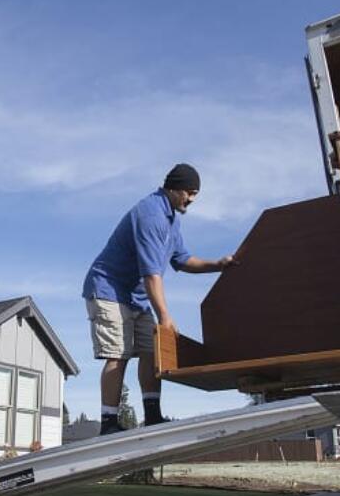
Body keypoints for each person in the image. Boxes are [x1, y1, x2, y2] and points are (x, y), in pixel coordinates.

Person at [82, 163, 237, 435]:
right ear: (174, 188)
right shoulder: (151, 215)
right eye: (189, 192)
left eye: (195, 194)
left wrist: (217, 264)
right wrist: (165, 316)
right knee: (118, 354)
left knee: (151, 352)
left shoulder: (172, 220)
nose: (192, 199)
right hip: (109, 289)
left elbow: (183, 260)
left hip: (137, 296)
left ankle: (152, 415)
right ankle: (108, 423)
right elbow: (152, 275)